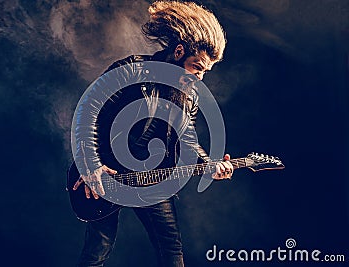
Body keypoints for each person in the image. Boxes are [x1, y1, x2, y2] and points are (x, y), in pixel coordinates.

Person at [72, 1, 233, 266]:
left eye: (205, 72)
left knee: (171, 252)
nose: (200, 77)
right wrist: (91, 166)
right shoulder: (131, 70)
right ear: (179, 51)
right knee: (97, 250)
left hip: (149, 180)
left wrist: (210, 165)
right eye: (197, 67)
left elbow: (188, 140)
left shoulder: (188, 95)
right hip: (107, 175)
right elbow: (87, 111)